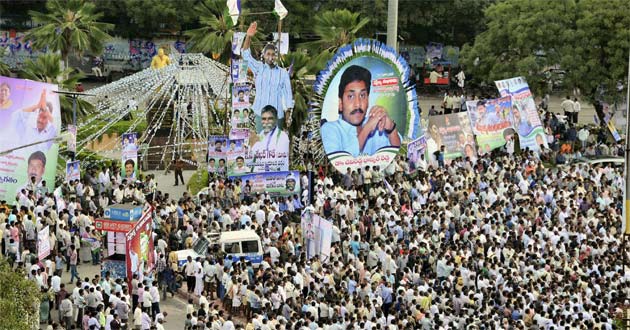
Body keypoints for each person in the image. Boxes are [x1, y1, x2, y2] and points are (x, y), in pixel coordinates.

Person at [321, 65, 401, 157]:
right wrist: (366, 129)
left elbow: (400, 156)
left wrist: (391, 129)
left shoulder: (378, 125)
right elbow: (339, 162)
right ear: (340, 103)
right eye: (351, 96)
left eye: (362, 95)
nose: (358, 104)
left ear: (368, 100)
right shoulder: (330, 129)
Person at [242, 22, 293, 131]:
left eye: (273, 54)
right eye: (268, 54)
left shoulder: (283, 73)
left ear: (276, 56)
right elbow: (245, 54)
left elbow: (288, 94)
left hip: (277, 115)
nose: (271, 57)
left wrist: (288, 114)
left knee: (275, 145)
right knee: (262, 144)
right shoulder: (258, 68)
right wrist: (248, 37)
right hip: (260, 114)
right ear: (263, 55)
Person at [10, 89, 57, 154]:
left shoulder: (51, 132)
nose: (40, 120)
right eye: (39, 116)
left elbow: (53, 122)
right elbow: (15, 116)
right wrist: (36, 106)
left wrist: (44, 108)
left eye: (44, 117)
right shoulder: (27, 128)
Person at [250, 105, 289, 171]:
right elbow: (253, 161)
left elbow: (274, 164)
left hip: (275, 179)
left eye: (270, 118)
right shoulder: (260, 135)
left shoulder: (282, 137)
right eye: (264, 119)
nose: (266, 122)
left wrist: (254, 145)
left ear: (276, 119)